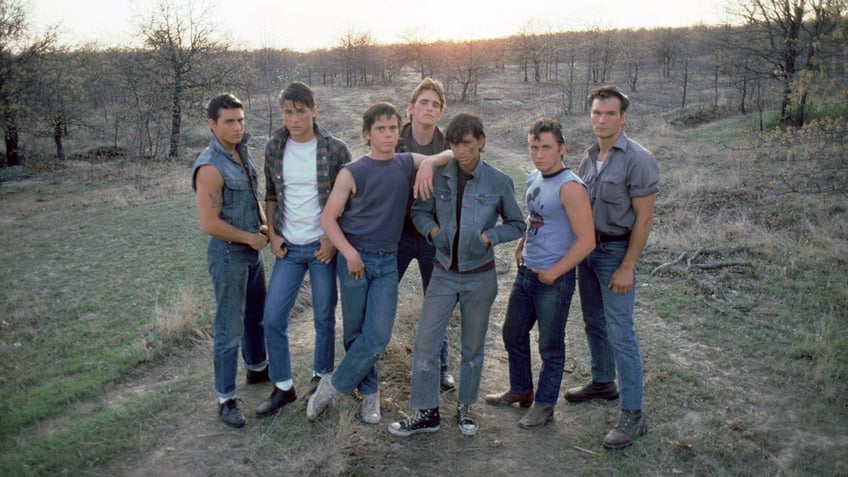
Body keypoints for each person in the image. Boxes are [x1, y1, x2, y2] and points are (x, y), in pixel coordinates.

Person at [308, 102, 453, 424]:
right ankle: (370, 394)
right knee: (355, 332)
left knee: (378, 335)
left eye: (392, 128)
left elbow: (452, 155)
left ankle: (333, 385)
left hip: (387, 261)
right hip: (354, 260)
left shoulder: (404, 163)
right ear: (367, 134)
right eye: (380, 129)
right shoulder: (352, 172)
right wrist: (348, 253)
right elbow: (328, 219)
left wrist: (428, 163)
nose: (387, 134)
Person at [388, 113, 526, 437]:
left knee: (473, 347)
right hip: (443, 274)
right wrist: (433, 231)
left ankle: (466, 408)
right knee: (425, 343)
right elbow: (418, 211)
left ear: (480, 141)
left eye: (467, 142)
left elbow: (518, 223)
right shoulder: (438, 176)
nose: (461, 150)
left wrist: (490, 237)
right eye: (454, 143)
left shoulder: (499, 181)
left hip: (480, 277)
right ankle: (427, 412)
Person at [484, 118, 595, 428]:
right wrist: (521, 246)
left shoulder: (570, 187)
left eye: (546, 147)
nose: (539, 153)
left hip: (553, 280)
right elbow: (536, 217)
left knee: (550, 346)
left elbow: (587, 240)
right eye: (534, 147)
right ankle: (520, 390)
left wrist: (554, 273)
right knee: (512, 332)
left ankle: (545, 406)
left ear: (562, 148)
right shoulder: (534, 176)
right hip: (527, 272)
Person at [566, 85, 659, 450]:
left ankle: (633, 414)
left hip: (616, 253)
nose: (601, 120)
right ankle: (603, 381)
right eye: (596, 113)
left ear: (623, 117)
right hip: (588, 253)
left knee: (621, 330)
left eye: (609, 113)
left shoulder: (638, 158)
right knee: (593, 322)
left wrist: (628, 265)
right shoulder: (589, 158)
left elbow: (645, 218)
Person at [255, 82, 352, 419]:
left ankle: (320, 377)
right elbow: (270, 193)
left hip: (321, 247)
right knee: (272, 319)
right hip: (289, 247)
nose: (293, 119)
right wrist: (273, 234)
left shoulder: (335, 149)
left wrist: (331, 240)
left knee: (324, 316)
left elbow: (349, 200)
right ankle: (283, 386)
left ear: (314, 110)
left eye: (300, 111)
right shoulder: (274, 147)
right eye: (287, 112)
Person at [191, 93, 270, 429]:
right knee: (229, 326)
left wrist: (265, 224)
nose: (237, 127)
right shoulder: (210, 166)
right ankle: (226, 397)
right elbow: (208, 224)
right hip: (228, 255)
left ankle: (257, 369)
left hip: (252, 251)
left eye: (240, 120)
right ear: (213, 124)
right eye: (229, 122)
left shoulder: (242, 151)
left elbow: (252, 195)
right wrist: (249, 238)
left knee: (256, 315)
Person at [395, 77, 455, 392]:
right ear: (411, 108)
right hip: (397, 234)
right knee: (380, 296)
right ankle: (368, 359)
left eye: (435, 104)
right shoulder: (394, 138)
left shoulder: (448, 144)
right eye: (424, 103)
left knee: (438, 301)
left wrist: (434, 160)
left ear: (440, 112)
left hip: (432, 233)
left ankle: (440, 366)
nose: (429, 109)